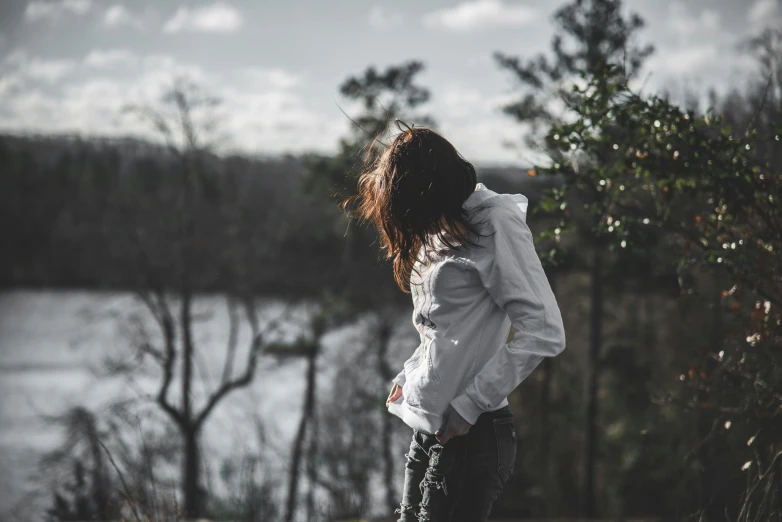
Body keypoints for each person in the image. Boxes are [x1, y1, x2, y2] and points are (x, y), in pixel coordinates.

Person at [342, 120, 566, 522]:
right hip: (429, 430)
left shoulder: (495, 222)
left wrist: (468, 407)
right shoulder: (440, 227)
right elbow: (442, 327)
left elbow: (544, 331)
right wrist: (409, 374)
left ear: (427, 191)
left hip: (473, 436)